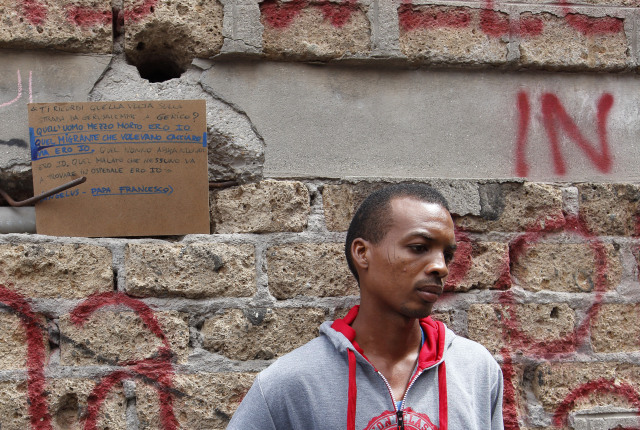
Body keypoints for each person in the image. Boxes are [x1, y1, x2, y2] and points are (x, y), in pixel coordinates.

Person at [228, 183, 504, 430]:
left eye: (447, 254)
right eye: (419, 247)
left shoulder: (477, 371)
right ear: (362, 253)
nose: (440, 267)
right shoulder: (291, 383)